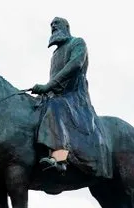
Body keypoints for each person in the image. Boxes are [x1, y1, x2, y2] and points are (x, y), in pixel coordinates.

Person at [30, 17, 109, 177]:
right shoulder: (55, 54)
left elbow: (75, 65)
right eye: (51, 25)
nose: (53, 27)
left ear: (66, 26)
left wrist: (48, 86)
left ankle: (60, 159)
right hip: (55, 95)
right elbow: (56, 80)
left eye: (56, 24)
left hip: (75, 97)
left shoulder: (77, 43)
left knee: (55, 107)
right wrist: (45, 91)